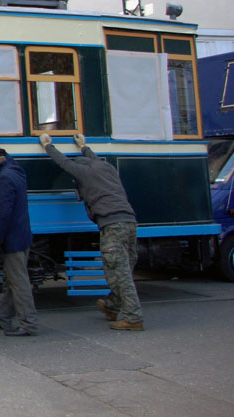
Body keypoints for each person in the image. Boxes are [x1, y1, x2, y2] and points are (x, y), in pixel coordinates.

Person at [40, 133, 143, 331]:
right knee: (125, 268)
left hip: (112, 224)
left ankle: (133, 318)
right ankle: (112, 306)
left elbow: (63, 162)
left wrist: (48, 146)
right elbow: (94, 158)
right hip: (130, 222)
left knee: (119, 272)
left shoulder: (84, 172)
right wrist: (83, 146)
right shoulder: (106, 168)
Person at [0, 147, 38, 336]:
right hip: (23, 234)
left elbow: (3, 212)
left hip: (12, 238)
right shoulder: (16, 170)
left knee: (18, 282)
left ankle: (28, 324)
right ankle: (4, 318)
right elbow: (8, 158)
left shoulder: (3, 178)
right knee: (12, 280)